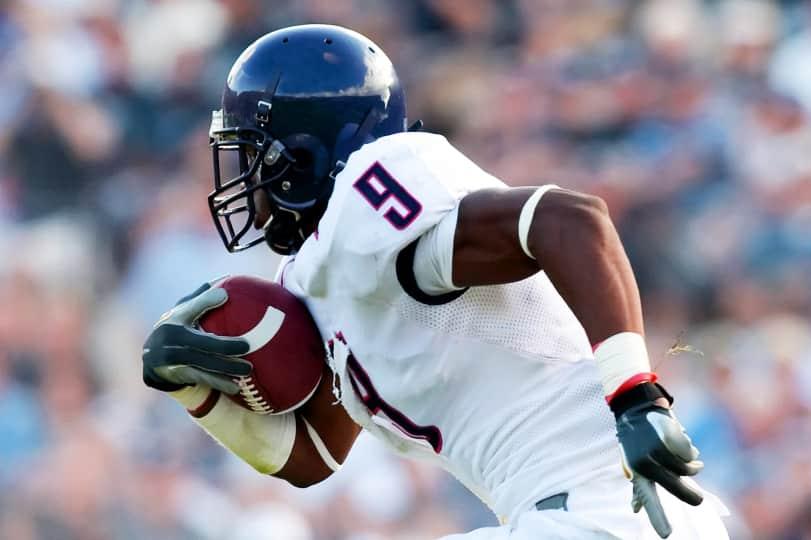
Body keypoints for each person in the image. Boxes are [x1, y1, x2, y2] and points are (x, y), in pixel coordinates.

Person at [142, 24, 729, 539]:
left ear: (299, 156)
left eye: (250, 154)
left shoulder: (369, 192)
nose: (241, 178)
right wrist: (194, 392)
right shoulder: (311, 275)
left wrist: (635, 396)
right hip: (577, 515)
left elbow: (570, 220)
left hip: (609, 506)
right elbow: (313, 457)